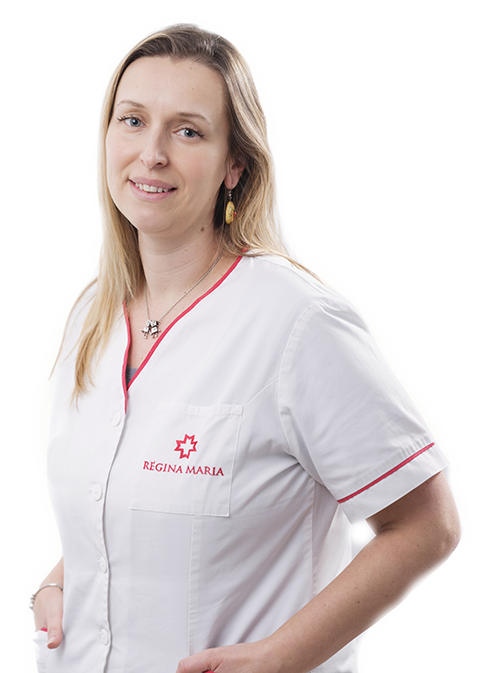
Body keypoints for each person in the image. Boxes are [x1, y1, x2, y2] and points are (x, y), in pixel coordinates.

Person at [30, 23, 460, 673]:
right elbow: (124, 490)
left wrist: (280, 656)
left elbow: (428, 526)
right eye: (133, 120)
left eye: (188, 131)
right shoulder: (92, 315)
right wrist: (63, 577)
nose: (151, 153)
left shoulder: (297, 324)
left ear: (235, 164)